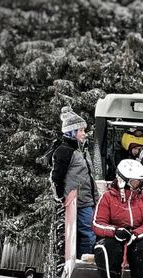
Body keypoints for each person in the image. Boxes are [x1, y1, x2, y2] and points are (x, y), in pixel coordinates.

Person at [50, 106, 98, 258]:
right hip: (77, 201)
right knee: (89, 234)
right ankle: (83, 263)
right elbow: (56, 176)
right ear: (72, 132)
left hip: (88, 199)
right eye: (81, 131)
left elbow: (87, 175)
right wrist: (61, 196)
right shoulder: (65, 151)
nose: (84, 134)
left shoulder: (81, 150)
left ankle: (83, 260)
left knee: (89, 233)